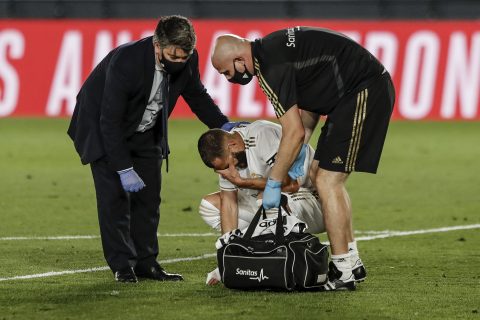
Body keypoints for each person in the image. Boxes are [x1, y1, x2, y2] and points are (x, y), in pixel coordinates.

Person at [211, 27, 395, 291]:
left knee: (328, 181)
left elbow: (293, 130)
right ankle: (351, 260)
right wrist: (298, 154)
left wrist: (274, 181)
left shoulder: (270, 68)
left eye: (226, 71)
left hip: (362, 91)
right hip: (353, 93)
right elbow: (307, 111)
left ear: (240, 60)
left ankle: (343, 270)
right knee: (318, 173)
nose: (229, 78)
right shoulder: (272, 51)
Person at [68, 15, 237, 283]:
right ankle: (122, 265)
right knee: (114, 199)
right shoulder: (127, 62)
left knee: (149, 200)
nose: (180, 62)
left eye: (185, 56)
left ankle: (146, 264)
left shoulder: (186, 59)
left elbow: (196, 96)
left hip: (145, 130)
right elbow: (109, 121)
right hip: (102, 129)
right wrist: (123, 168)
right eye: (174, 56)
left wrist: (224, 126)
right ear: (157, 45)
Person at [197, 120, 327, 285]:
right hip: (271, 204)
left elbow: (291, 184)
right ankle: (246, 255)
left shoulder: (261, 135)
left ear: (232, 144)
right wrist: (227, 258)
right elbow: (229, 203)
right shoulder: (229, 155)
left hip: (313, 201)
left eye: (229, 164)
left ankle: (272, 254)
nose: (231, 169)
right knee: (210, 205)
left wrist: (244, 183)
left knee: (265, 195)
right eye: (223, 168)